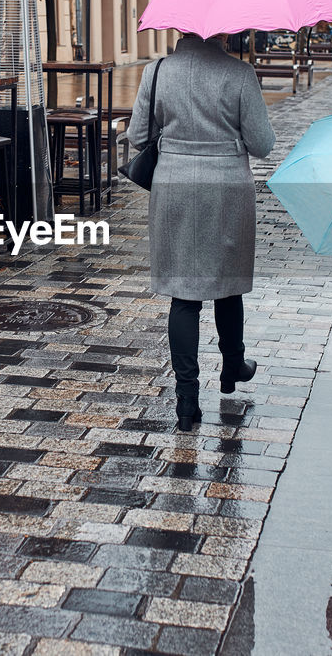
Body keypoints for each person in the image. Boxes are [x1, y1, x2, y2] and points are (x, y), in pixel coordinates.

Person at [127, 34, 275, 432]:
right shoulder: (240, 74)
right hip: (226, 189)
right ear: (224, 31)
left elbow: (136, 138)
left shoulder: (155, 71)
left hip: (173, 187)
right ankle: (233, 366)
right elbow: (262, 144)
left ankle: (187, 400)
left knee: (184, 294)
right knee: (228, 284)